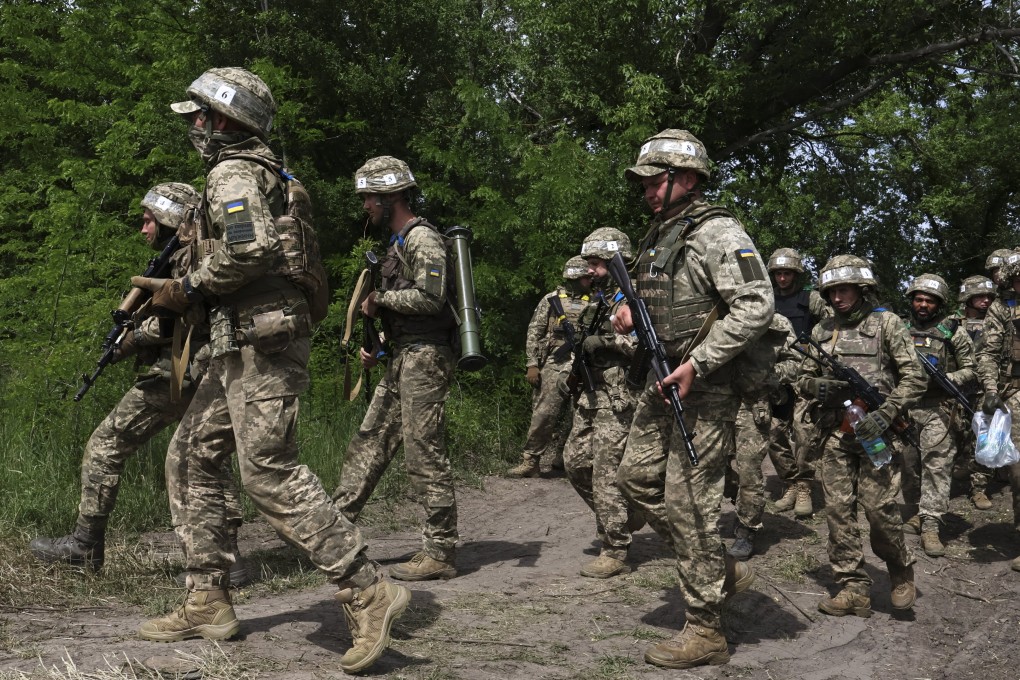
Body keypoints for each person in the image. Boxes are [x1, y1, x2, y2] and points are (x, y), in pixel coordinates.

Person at [137, 67, 407, 674]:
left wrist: (186, 287)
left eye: (199, 115)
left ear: (222, 119)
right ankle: (206, 599)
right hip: (242, 341)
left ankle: (367, 588)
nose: (193, 126)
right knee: (190, 455)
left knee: (267, 472)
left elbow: (249, 249)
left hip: (263, 342)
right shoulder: (264, 172)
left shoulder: (233, 172)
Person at [30, 183, 248, 586]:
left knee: (105, 445)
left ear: (169, 221)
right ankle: (228, 559)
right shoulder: (204, 255)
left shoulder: (189, 259)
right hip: (209, 371)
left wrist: (129, 341)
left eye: (149, 220)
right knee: (207, 458)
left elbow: (179, 320)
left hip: (180, 372)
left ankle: (84, 546)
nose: (143, 229)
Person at [612, 129, 769, 669]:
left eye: (653, 182)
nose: (646, 193)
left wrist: (698, 364)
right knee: (633, 478)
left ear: (686, 178)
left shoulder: (718, 232)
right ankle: (716, 567)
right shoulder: (662, 233)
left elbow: (756, 303)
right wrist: (628, 310)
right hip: (663, 377)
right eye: (643, 184)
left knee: (691, 504)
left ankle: (706, 630)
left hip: (705, 385)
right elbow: (656, 296)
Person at [332, 155, 460, 582]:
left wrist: (379, 299)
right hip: (405, 354)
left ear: (392, 198)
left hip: (426, 360)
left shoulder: (423, 239)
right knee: (370, 442)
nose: (365, 205)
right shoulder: (398, 242)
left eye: (370, 197)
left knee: (424, 453)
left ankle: (440, 551)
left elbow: (431, 298)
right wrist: (382, 346)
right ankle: (331, 534)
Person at [796, 255, 924, 617]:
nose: (837, 298)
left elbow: (915, 377)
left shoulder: (887, 324)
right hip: (836, 435)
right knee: (838, 513)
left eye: (845, 290)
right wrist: (817, 386)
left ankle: (900, 568)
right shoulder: (823, 331)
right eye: (832, 291)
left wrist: (886, 412)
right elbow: (802, 376)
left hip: (878, 435)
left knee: (879, 510)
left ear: (862, 289)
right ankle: (853, 586)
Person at [560, 228, 641, 578]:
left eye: (595, 263)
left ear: (616, 260)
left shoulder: (635, 297)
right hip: (591, 395)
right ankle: (624, 515)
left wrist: (608, 344)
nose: (589, 270)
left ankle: (615, 547)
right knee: (575, 462)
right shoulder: (601, 300)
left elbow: (646, 345)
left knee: (606, 473)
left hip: (619, 396)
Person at [900, 274, 975, 557]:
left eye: (929, 301)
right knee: (908, 466)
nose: (923, 305)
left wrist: (948, 378)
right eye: (919, 299)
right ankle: (915, 512)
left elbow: (972, 369)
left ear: (939, 304)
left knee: (936, 465)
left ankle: (931, 524)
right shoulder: (900, 329)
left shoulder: (953, 332)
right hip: (906, 406)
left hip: (939, 407)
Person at [509, 256, 593, 478]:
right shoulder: (551, 300)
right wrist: (532, 363)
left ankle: (565, 458)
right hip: (555, 361)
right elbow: (534, 331)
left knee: (581, 413)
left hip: (584, 362)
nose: (590, 279)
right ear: (575, 277)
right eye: (586, 277)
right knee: (544, 413)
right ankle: (531, 461)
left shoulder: (596, 301)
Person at [728, 313, 802, 560]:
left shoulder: (776, 321)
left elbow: (796, 362)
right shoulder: (712, 316)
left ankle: (747, 528)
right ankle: (737, 501)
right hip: (713, 404)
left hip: (752, 406)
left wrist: (766, 376)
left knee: (749, 469)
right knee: (710, 467)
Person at [766, 248, 829, 518]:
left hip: (804, 375)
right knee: (772, 433)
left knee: (804, 433)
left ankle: (804, 486)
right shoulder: (766, 299)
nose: (782, 278)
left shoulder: (810, 299)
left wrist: (813, 352)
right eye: (778, 273)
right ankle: (790, 482)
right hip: (776, 375)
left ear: (796, 274)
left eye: (787, 273)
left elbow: (830, 328)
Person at [975, 257, 1020, 572]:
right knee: (1018, 472)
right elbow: (988, 354)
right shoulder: (1002, 309)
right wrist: (991, 390)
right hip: (1015, 393)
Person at [948, 275, 997, 509]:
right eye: (979, 296)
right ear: (967, 298)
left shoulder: (997, 321)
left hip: (984, 388)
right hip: (955, 388)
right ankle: (946, 480)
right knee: (952, 434)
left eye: (989, 296)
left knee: (983, 437)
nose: (986, 300)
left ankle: (979, 488)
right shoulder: (951, 323)